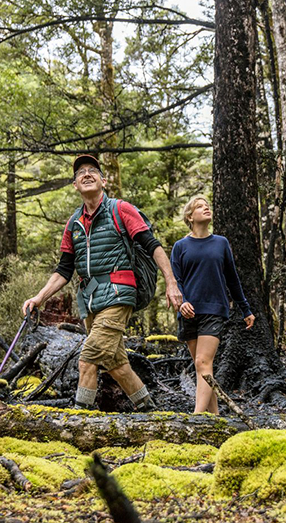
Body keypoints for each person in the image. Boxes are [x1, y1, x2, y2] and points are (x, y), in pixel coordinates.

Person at [22, 154, 183, 411]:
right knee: (117, 364)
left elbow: (153, 246)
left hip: (119, 293)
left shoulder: (121, 209)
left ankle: (79, 417)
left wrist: (171, 282)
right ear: (75, 185)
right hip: (91, 300)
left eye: (92, 171)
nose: (86, 174)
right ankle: (149, 410)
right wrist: (39, 297)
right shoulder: (73, 224)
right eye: (80, 173)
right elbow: (64, 270)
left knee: (87, 360)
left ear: (103, 181)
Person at [170, 195, 255, 414]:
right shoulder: (180, 247)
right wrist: (183, 304)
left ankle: (197, 417)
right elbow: (176, 281)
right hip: (188, 313)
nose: (206, 208)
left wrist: (245, 308)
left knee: (202, 362)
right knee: (202, 367)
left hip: (214, 310)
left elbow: (232, 278)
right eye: (199, 206)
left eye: (207, 206)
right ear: (190, 216)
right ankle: (215, 416)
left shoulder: (221, 243)